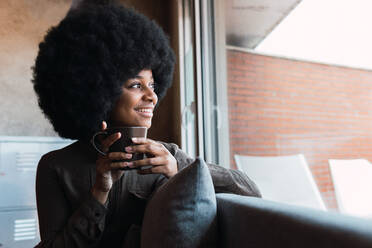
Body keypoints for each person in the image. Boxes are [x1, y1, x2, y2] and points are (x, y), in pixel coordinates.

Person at [32, 2, 261, 247]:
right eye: (135, 85)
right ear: (98, 91)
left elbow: (250, 190)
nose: (152, 96)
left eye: (152, 85)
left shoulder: (167, 156)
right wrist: (99, 193)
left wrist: (180, 169)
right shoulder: (55, 167)